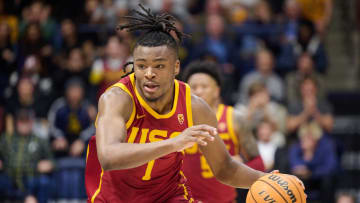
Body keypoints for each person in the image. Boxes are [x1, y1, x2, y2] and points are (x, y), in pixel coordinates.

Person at [85, 4, 301, 202]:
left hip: (168, 196)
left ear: (175, 67)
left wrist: (265, 180)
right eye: (141, 66)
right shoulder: (117, 98)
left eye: (159, 66)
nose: (148, 74)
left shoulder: (194, 107)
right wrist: (175, 143)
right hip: (114, 197)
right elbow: (108, 156)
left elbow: (224, 168)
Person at [181, 60, 265, 203]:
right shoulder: (177, 119)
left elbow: (259, 163)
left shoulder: (234, 117)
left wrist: (240, 165)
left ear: (217, 90)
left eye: (204, 86)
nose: (198, 91)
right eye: (193, 87)